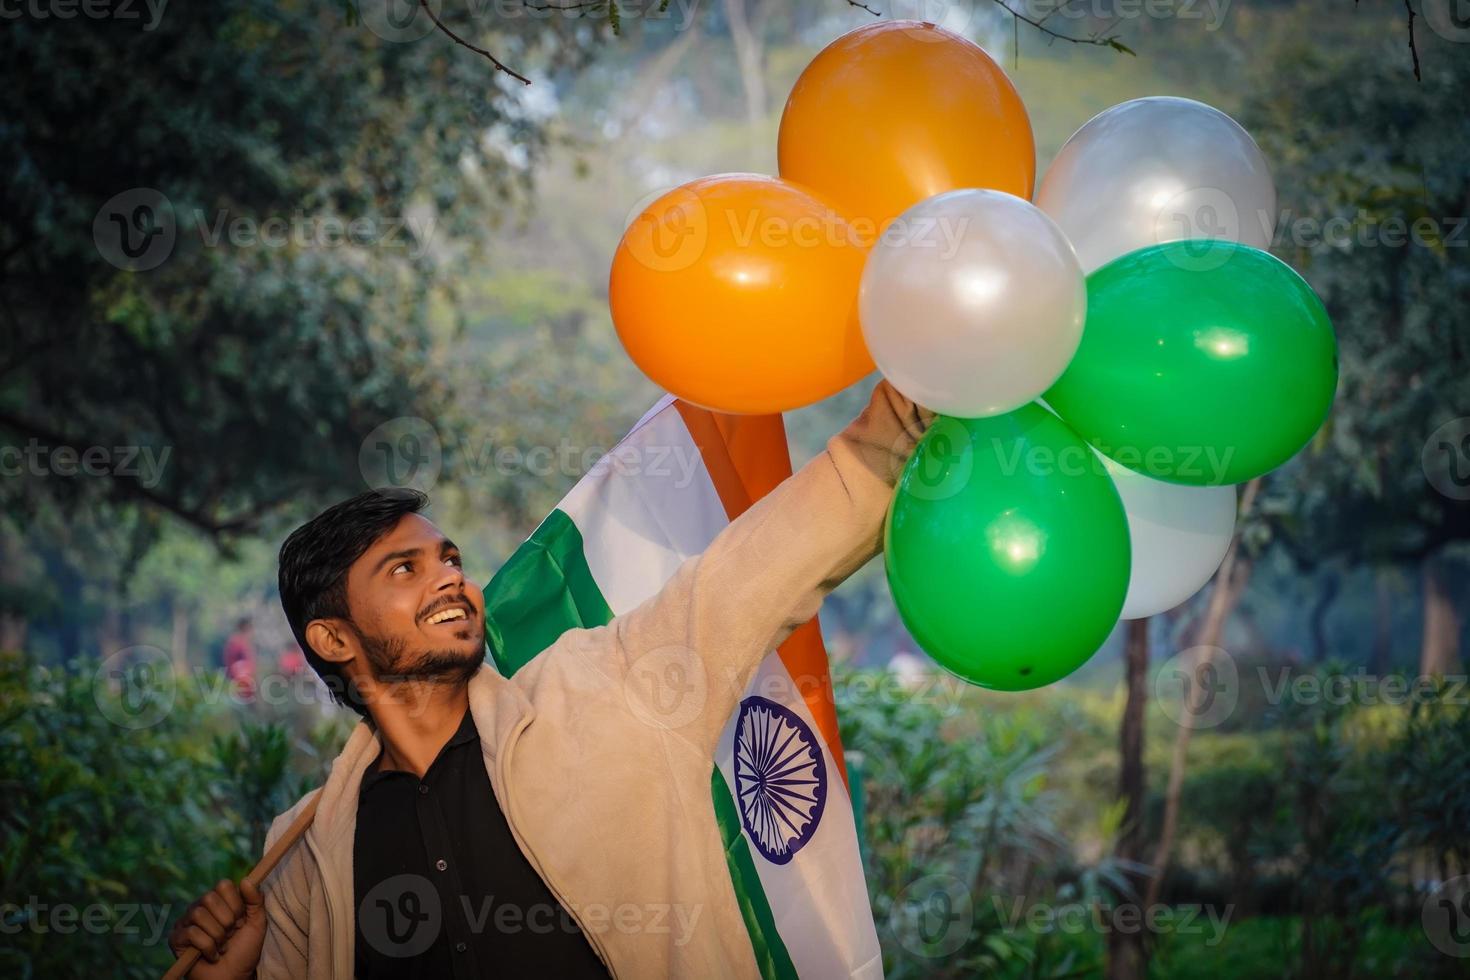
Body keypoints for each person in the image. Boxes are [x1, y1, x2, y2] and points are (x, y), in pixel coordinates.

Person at [168, 381, 930, 979]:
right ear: (333, 637)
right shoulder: (304, 855)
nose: (452, 582)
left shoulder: (605, 687)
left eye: (451, 561)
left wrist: (900, 423)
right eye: (405, 569)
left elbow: (750, 574)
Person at [221, 617, 257, 700]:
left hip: (248, 681)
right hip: (240, 681)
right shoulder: (236, 641)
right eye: (250, 627)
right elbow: (230, 662)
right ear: (245, 627)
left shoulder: (246, 641)